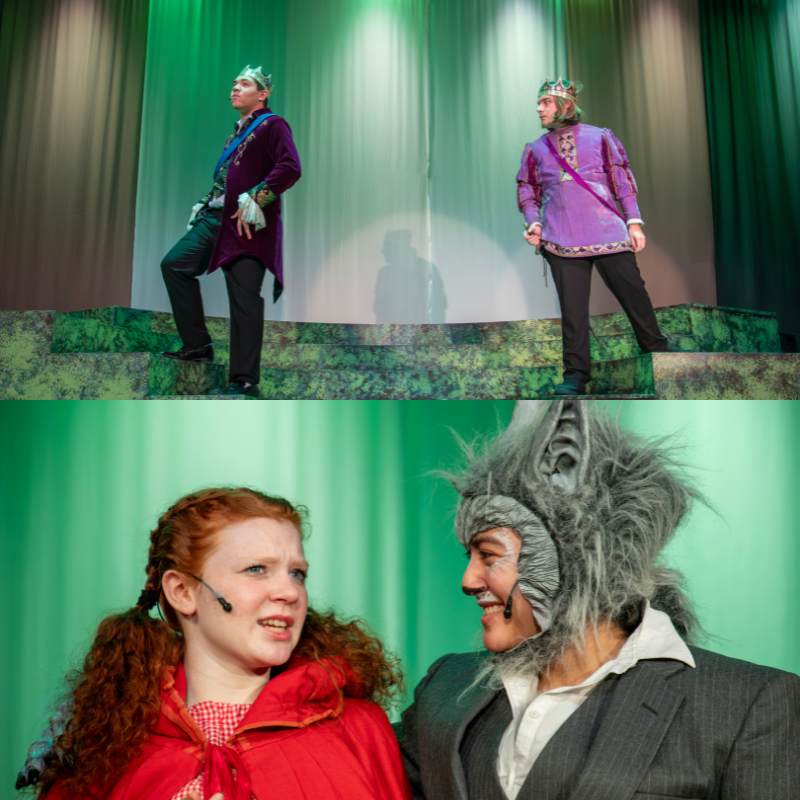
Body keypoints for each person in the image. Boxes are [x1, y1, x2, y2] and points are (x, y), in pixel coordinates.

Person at [395, 399, 800, 800]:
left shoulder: (747, 705)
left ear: (575, 556)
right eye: (470, 556)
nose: (468, 580)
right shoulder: (445, 688)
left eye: (489, 555)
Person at [19, 487, 411, 800]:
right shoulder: (106, 744)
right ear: (182, 592)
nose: (289, 591)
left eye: (297, 573)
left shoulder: (359, 730)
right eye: (256, 569)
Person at [518, 79, 675, 397]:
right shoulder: (535, 149)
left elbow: (621, 177)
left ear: (564, 105)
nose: (539, 108)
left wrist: (633, 221)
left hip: (606, 230)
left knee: (634, 294)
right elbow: (527, 189)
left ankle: (657, 349)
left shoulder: (600, 136)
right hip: (560, 236)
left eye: (546, 102)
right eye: (539, 102)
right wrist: (534, 223)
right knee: (573, 311)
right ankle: (576, 375)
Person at [159, 66, 302, 397]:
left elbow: (290, 167)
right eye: (234, 84)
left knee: (243, 298)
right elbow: (226, 180)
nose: (235, 88)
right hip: (215, 218)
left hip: (245, 222)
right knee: (174, 264)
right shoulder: (235, 134)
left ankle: (245, 379)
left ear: (262, 94)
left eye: (244, 84)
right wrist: (205, 202)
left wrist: (257, 196)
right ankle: (197, 345)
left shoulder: (273, 124)